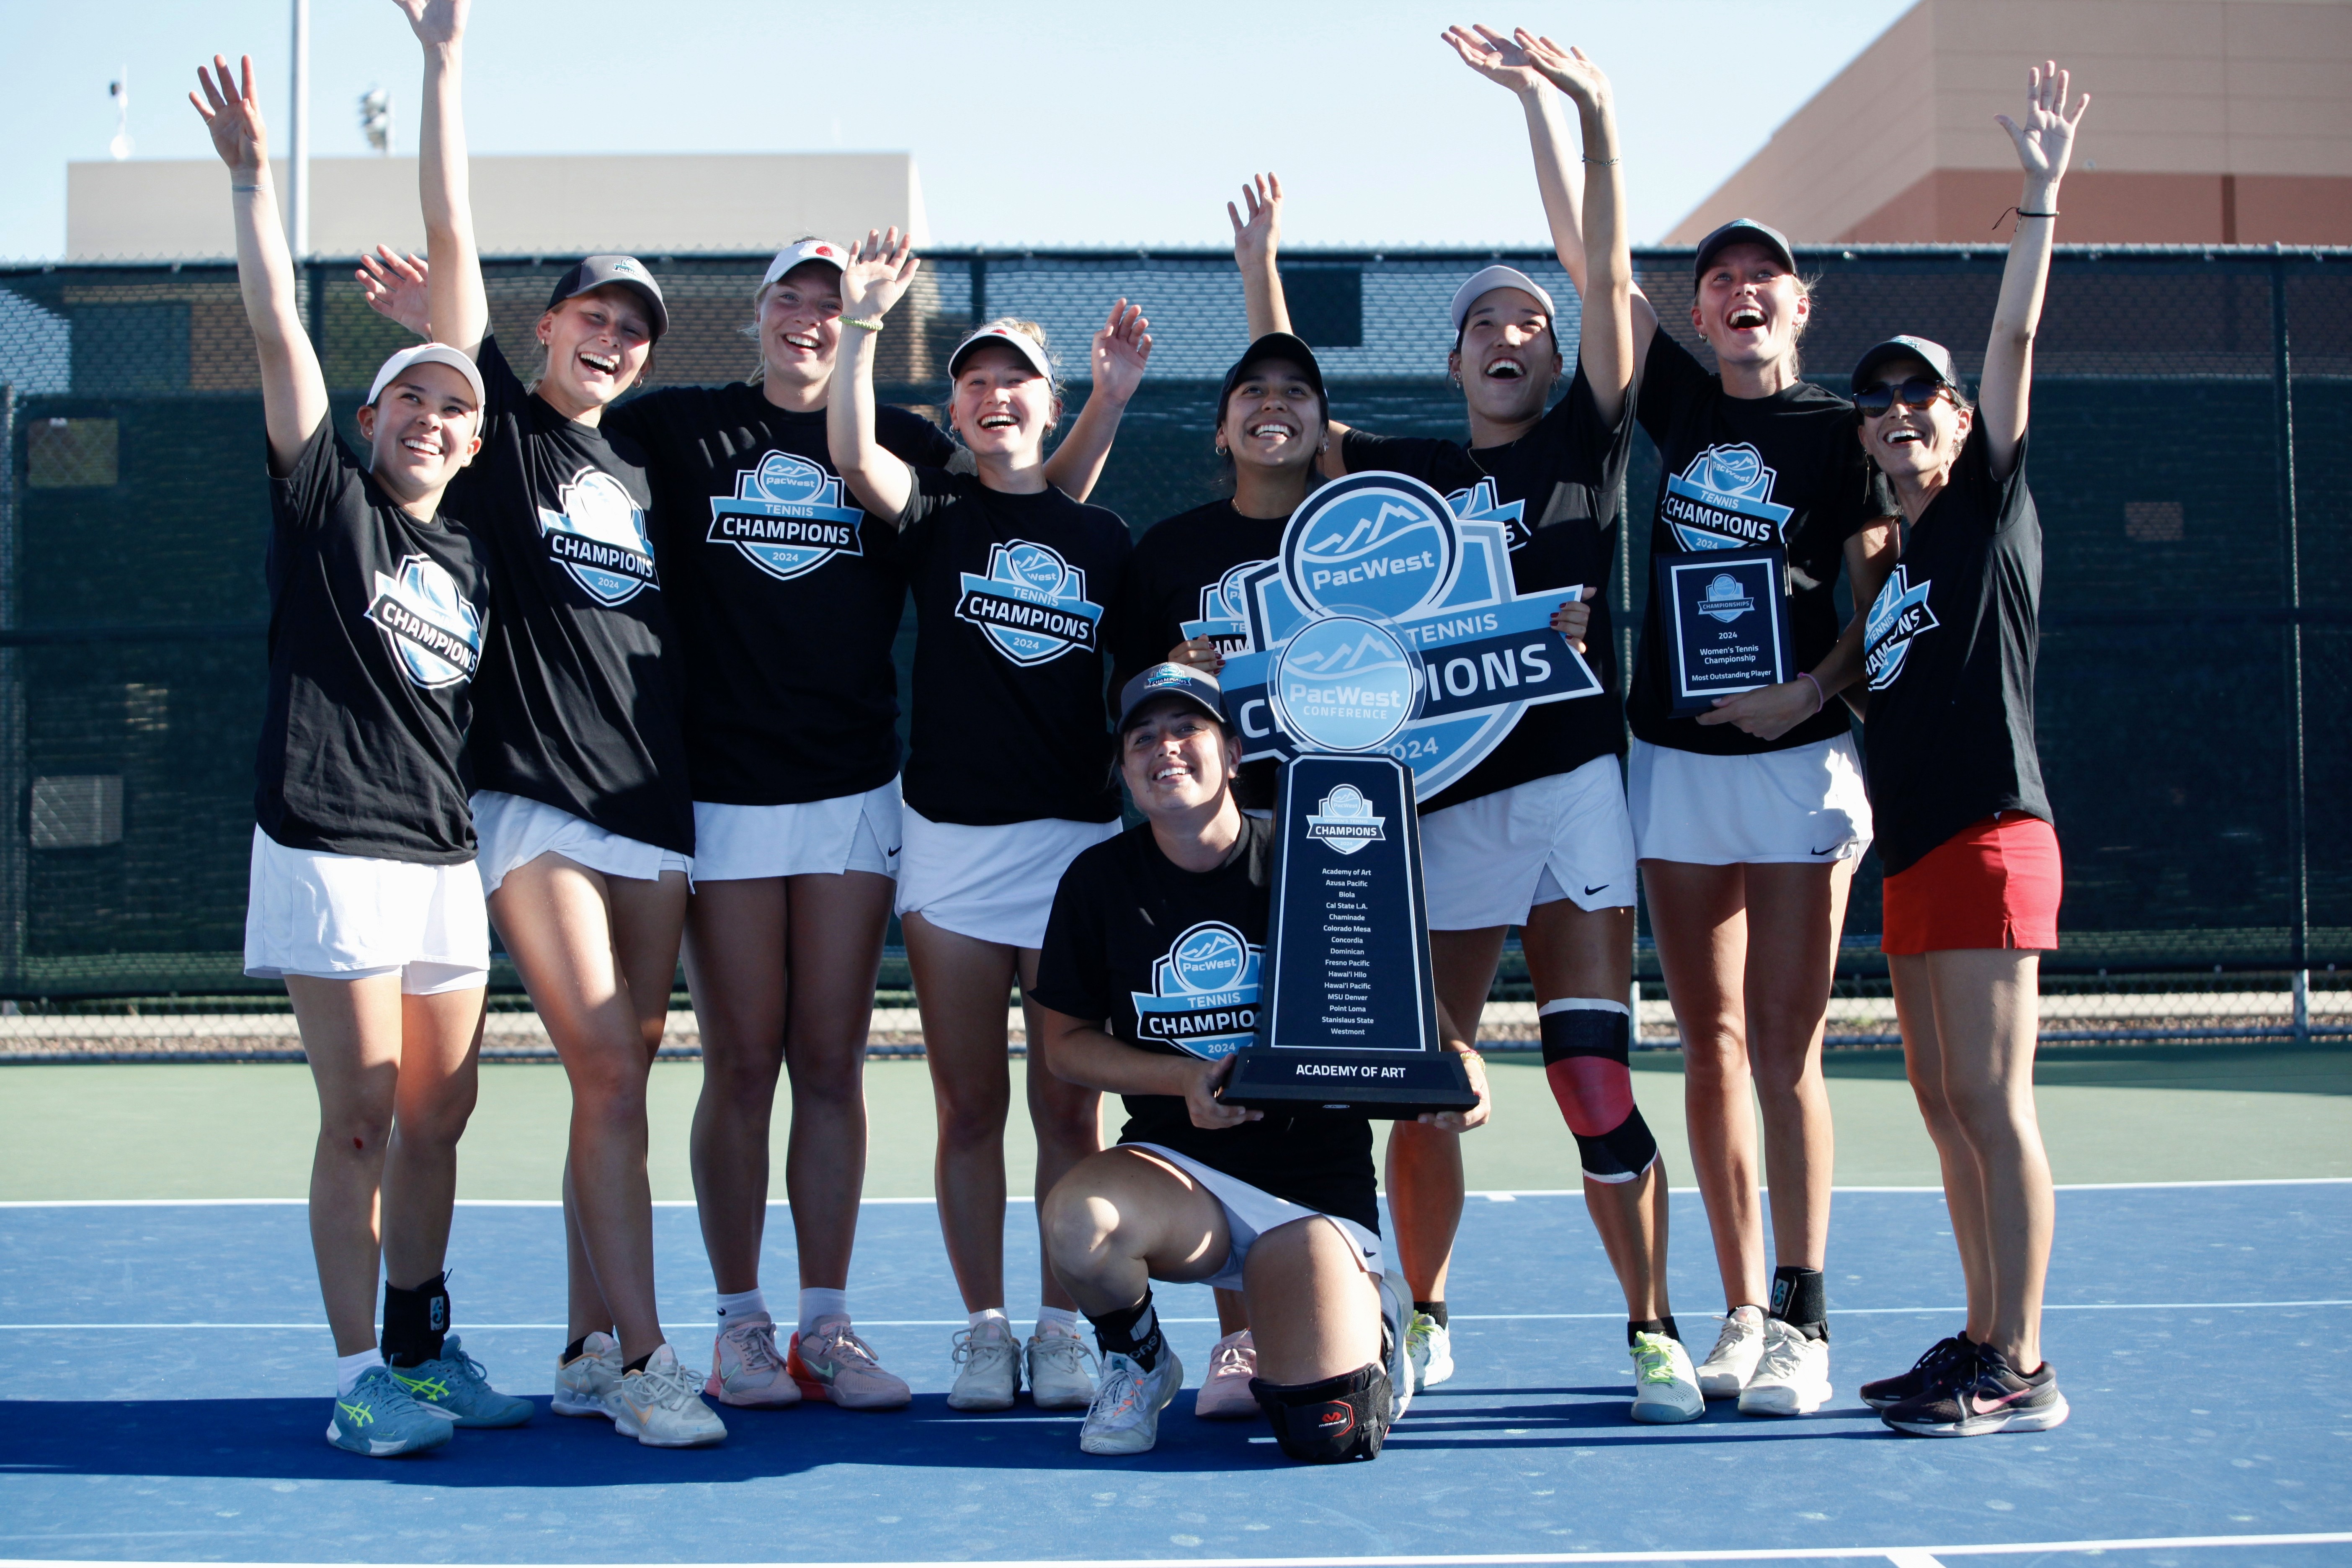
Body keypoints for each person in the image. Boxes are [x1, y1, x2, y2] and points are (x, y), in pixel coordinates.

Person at [360, 241, 1148, 1412]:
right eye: (793, 298)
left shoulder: (899, 441)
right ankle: (738, 1326)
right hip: (718, 798)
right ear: (761, 313)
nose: (811, 318)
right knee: (736, 1064)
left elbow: (1034, 504)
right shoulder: (679, 428)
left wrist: (1106, 406)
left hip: (851, 796)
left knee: (830, 1065)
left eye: (833, 304)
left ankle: (826, 1326)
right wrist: (455, 331)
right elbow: (546, 415)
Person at [1240, 33, 1700, 1421]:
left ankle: (1654, 1330)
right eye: (1486, 323)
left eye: (1532, 324)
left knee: (1589, 1075)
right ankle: (1426, 1314)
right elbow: (1288, 403)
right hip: (1438, 802)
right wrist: (1263, 265)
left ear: (1562, 354)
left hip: (1569, 788)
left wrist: (1583, 113)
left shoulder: (1585, 441)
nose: (1512, 335)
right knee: (1423, 1082)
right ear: (1451, 358)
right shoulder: (1410, 476)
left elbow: (1604, 270)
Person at [1505, 37, 1902, 1419]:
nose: (1740, 294)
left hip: (1796, 767)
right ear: (1705, 307)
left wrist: (1813, 692)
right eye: (1720, 279)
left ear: (1799, 303)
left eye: (1762, 279)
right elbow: (1589, 262)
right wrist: (1564, 113)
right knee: (1710, 1042)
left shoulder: (1847, 432)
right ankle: (1737, 1311)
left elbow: (1887, 604)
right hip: (1672, 765)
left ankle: (1803, 1313)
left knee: (1786, 1052)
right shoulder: (1677, 403)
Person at [193, 50, 529, 1456]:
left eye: (454, 408)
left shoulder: (478, 553)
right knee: (362, 1118)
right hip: (328, 841)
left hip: (441, 855)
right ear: (373, 418)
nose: (432, 421)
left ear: (471, 439)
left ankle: (421, 1346)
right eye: (411, 401)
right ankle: (357, 1379)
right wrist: (253, 184)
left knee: (439, 1115)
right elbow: (279, 333)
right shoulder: (326, 503)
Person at [394, 0, 718, 1447]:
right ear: (544, 326)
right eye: (595, 316)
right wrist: (443, 68)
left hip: (654, 805)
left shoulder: (639, 464)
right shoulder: (500, 433)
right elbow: (452, 246)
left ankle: (587, 1342)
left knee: (621, 1079)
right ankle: (649, 1359)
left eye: (634, 329)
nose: (615, 339)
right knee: (605, 1066)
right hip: (534, 803)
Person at [829, 230, 1149, 1415]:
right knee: (969, 1105)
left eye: (1016, 379)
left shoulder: (1103, 540)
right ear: (956, 411)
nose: (993, 394)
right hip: (951, 852)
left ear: (1048, 403)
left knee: (1069, 1103)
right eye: (974, 381)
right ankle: (983, 1332)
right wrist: (865, 322)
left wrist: (1111, 400)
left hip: (1072, 853)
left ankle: (1066, 1328)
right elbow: (851, 449)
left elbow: (1146, 674)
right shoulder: (936, 512)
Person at [1031, 665, 1492, 1458]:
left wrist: (1459, 1060)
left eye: (1188, 730)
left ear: (1235, 756)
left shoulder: (1310, 855)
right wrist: (1183, 1079)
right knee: (1079, 1220)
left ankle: (1373, 1318)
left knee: (1327, 1432)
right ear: (1126, 772)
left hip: (1311, 1192)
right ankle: (1139, 1361)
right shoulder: (1098, 879)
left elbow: (1403, 991)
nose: (1165, 749)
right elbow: (1064, 1045)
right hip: (1179, 1178)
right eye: (1143, 738)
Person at [1854, 64, 2086, 1439]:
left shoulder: (1987, 504)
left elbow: (2012, 336)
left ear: (1959, 418)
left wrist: (2037, 197)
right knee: (1943, 1105)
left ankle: (2025, 1361)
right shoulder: (1891, 562)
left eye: (1922, 394)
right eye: (1878, 397)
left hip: (1993, 831)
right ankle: (1980, 1331)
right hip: (1911, 853)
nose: (1900, 407)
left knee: (1994, 1103)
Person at [1105, 190, 1336, 1415]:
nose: (1272, 407)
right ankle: (1242, 1333)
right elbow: (1144, 701)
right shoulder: (1171, 552)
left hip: (1343, 839)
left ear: (1324, 426)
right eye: (1251, 395)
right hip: (1223, 853)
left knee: (1348, 1082)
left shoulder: (1361, 529)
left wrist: (1539, 634)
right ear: (1220, 427)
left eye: (1295, 395)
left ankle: (1391, 1301)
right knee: (1230, 1068)